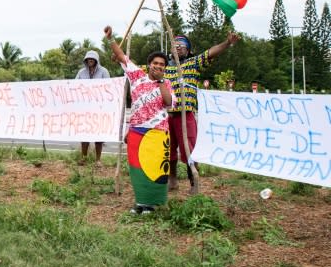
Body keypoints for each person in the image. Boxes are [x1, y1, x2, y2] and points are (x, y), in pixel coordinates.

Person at [104, 26, 175, 214]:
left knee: (155, 168)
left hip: (158, 133)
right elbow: (122, 57)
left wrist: (160, 83)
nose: (159, 66)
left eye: (162, 65)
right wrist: (111, 39)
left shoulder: (167, 84)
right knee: (138, 169)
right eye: (156, 63)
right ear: (149, 64)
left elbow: (169, 104)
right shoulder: (137, 76)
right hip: (136, 132)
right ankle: (141, 202)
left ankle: (154, 204)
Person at [165, 32, 240, 191]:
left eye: (182, 46)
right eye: (175, 46)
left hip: (186, 114)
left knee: (190, 150)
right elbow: (139, 70)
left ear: (188, 50)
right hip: (167, 115)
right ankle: (172, 179)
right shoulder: (163, 66)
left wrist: (227, 42)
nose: (178, 48)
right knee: (169, 149)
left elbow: (211, 52)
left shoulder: (193, 63)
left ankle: (193, 181)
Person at [75, 50, 111, 166]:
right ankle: (84, 158)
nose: (90, 60)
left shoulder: (104, 72)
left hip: (99, 109)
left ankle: (98, 160)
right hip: (84, 109)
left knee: (98, 135)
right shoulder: (81, 72)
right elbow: (74, 86)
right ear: (85, 60)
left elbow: (109, 87)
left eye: (92, 59)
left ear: (96, 60)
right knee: (84, 134)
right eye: (88, 59)